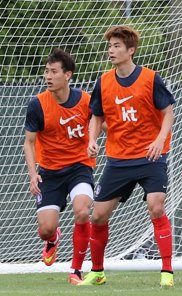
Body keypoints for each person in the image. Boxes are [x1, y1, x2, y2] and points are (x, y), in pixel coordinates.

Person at [79, 25, 175, 287]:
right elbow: (96, 116)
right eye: (109, 45)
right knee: (97, 216)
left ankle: (167, 272)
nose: (111, 50)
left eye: (117, 45)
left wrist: (159, 140)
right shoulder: (104, 81)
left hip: (150, 157)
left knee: (156, 206)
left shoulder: (150, 78)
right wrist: (91, 140)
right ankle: (97, 271)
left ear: (130, 50)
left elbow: (168, 112)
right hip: (118, 159)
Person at [23, 48, 95, 285]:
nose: (48, 76)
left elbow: (100, 124)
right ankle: (53, 238)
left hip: (79, 168)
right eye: (46, 71)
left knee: (83, 211)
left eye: (54, 71)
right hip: (50, 173)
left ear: (68, 75)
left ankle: (75, 270)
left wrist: (95, 140)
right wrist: (33, 175)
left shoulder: (85, 101)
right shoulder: (37, 105)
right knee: (45, 229)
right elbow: (29, 142)